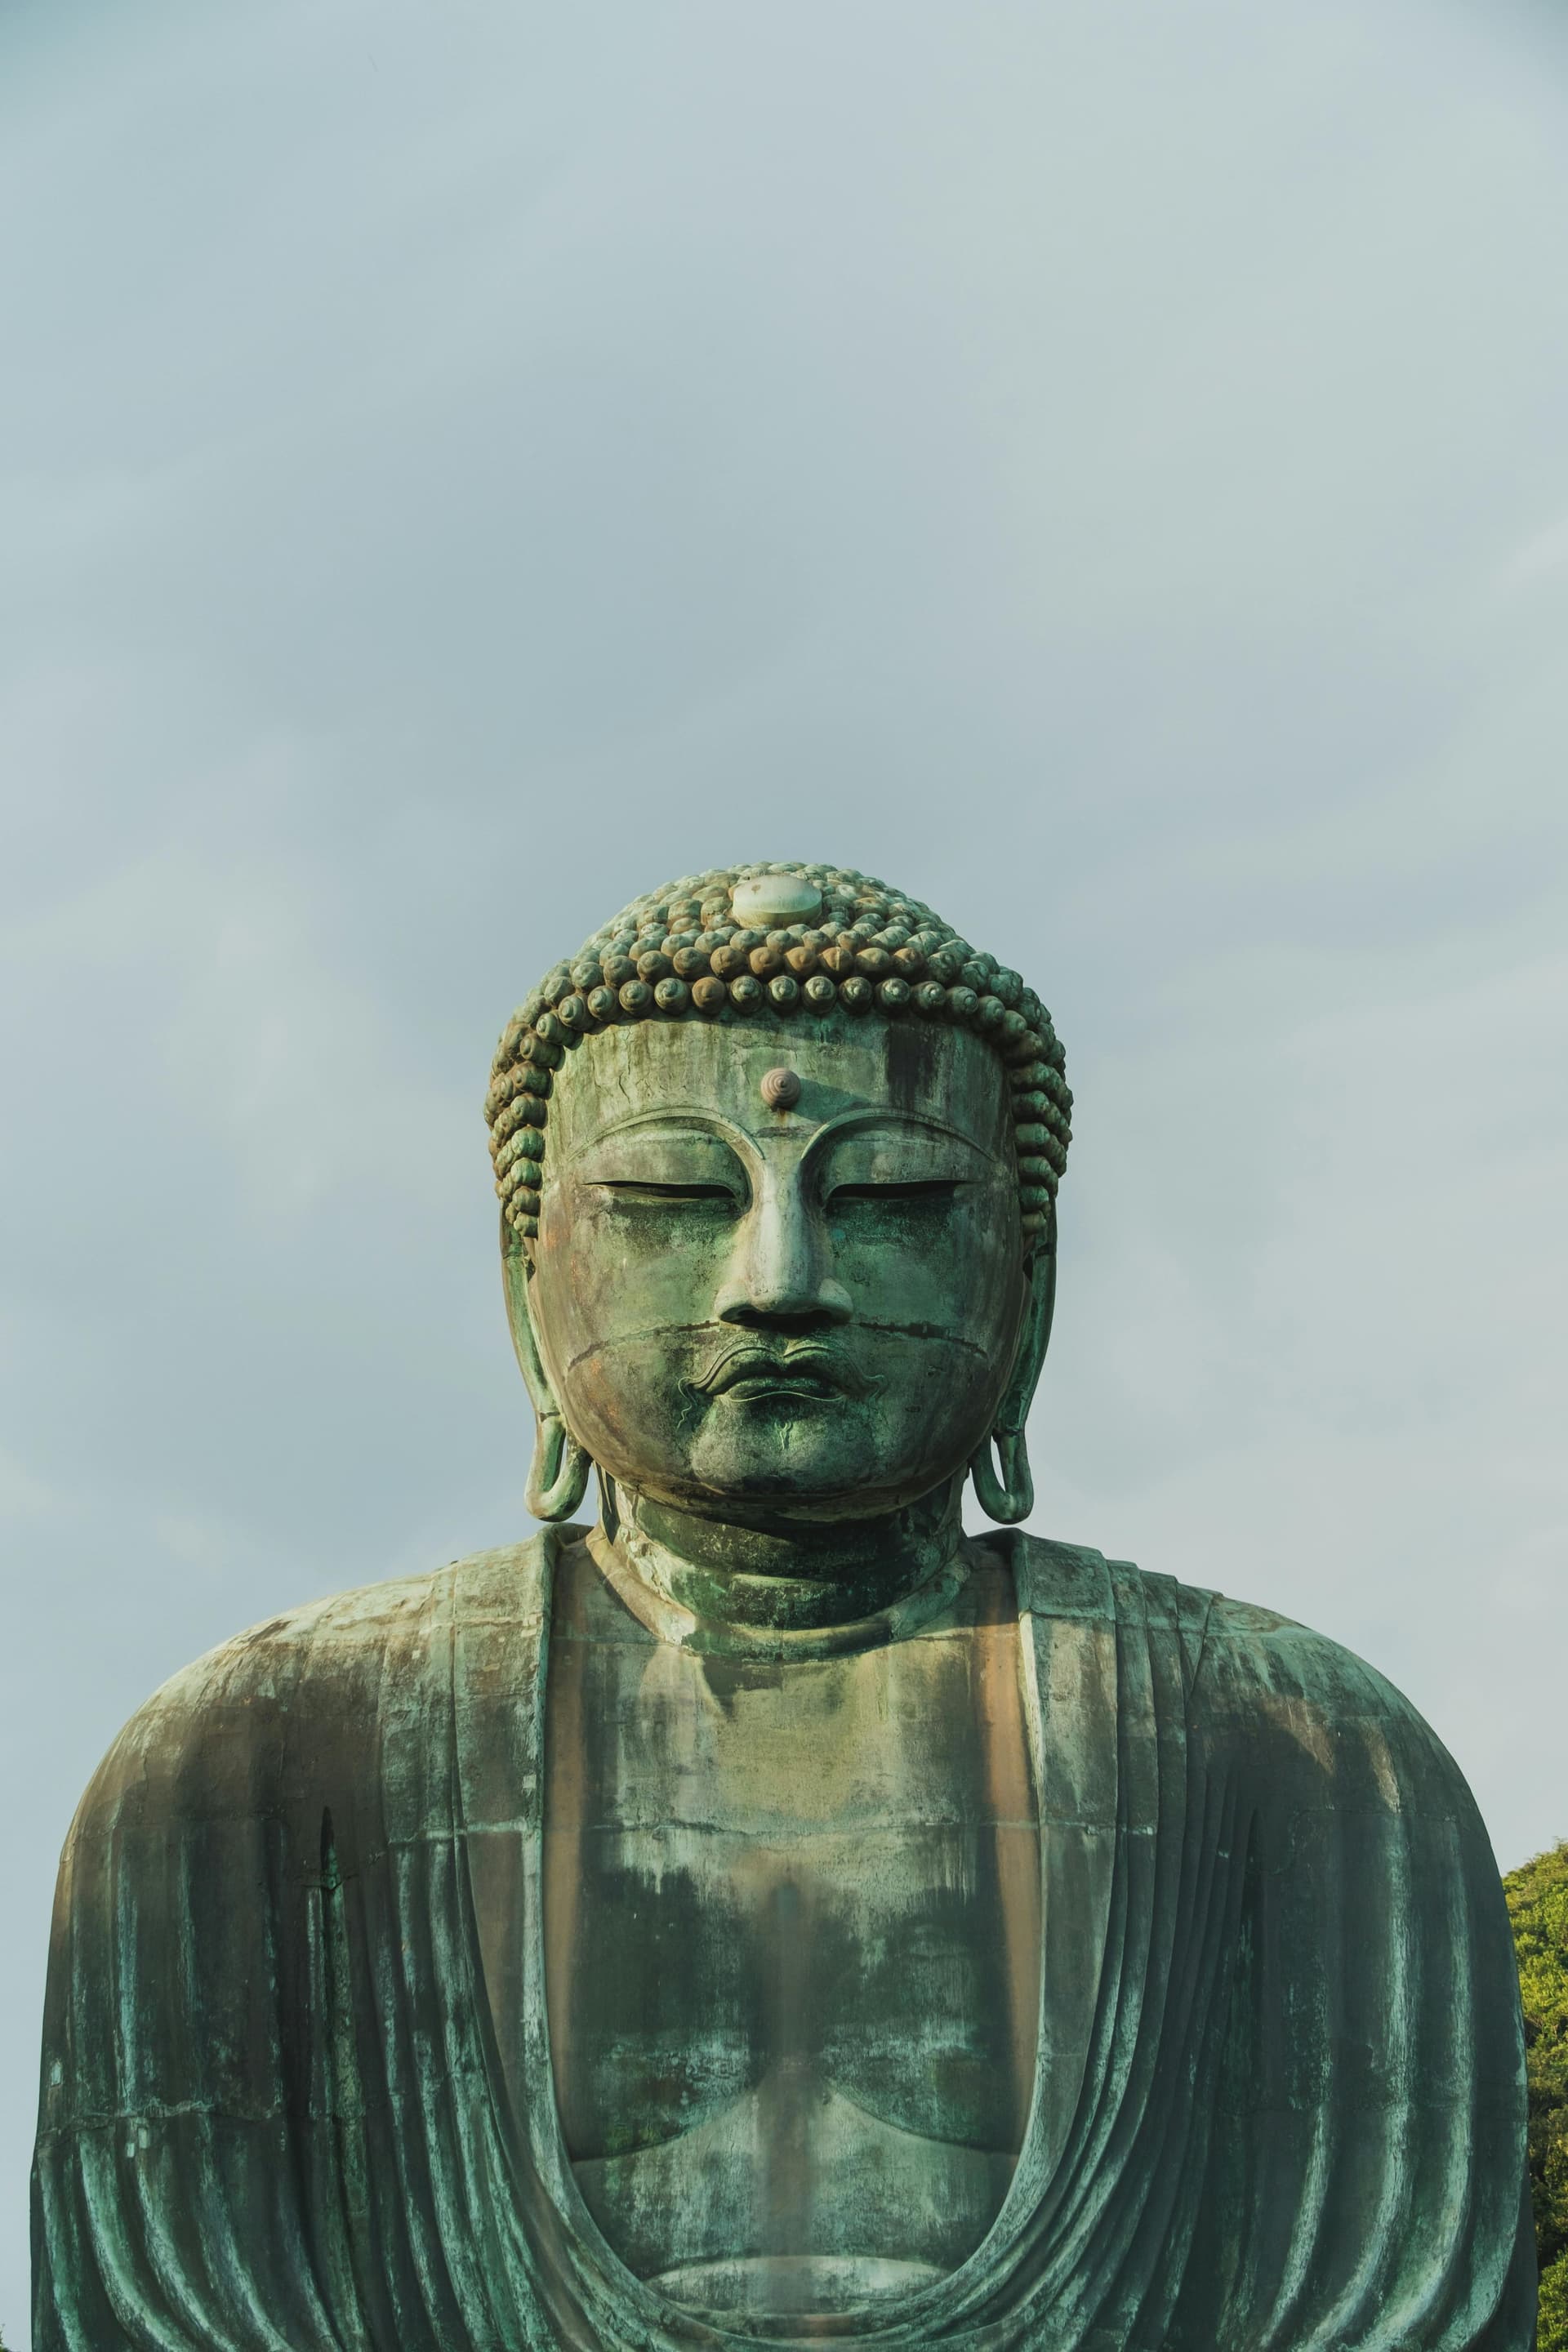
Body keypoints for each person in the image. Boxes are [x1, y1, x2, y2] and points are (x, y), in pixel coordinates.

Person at [33, 862, 1535, 2349]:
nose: (780, 1279)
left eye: (889, 1196)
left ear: (1032, 1286)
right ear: (524, 1284)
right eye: (675, 1195)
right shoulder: (248, 1772)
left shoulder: (1307, 1760)